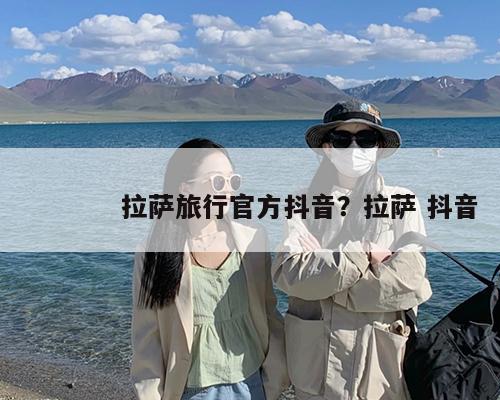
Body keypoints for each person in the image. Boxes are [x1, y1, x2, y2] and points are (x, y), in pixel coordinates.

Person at [273, 100, 432, 400]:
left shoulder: (402, 202)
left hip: (380, 371)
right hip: (315, 370)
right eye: (342, 139)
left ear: (378, 148)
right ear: (327, 147)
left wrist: (326, 280)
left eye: (366, 139)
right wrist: (362, 255)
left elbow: (408, 282)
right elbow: (290, 275)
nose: (354, 147)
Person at [131, 138, 289, 400]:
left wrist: (275, 378)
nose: (228, 190)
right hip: (190, 391)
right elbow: (147, 338)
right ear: (185, 188)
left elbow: (269, 312)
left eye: (232, 181)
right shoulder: (154, 252)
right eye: (217, 181)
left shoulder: (252, 238)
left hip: (253, 386)